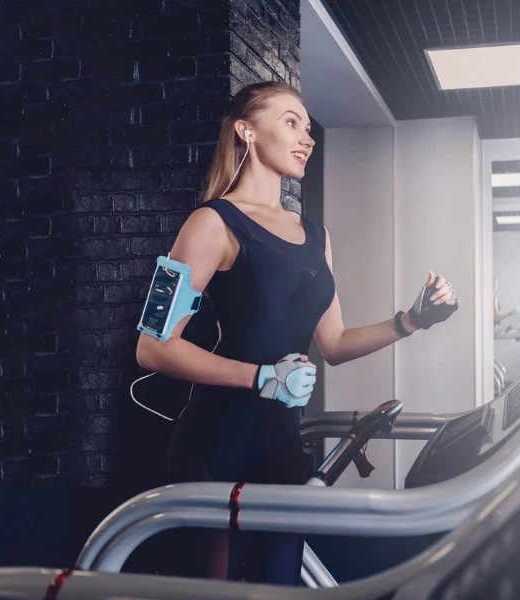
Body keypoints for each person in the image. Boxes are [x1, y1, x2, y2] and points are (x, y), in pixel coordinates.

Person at [134, 81, 458, 585]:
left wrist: (409, 322)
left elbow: (334, 344)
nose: (307, 137)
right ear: (246, 130)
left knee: (281, 586)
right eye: (290, 122)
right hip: (216, 442)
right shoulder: (208, 224)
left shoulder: (317, 236)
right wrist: (261, 377)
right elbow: (152, 346)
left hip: (281, 444)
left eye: (308, 128)